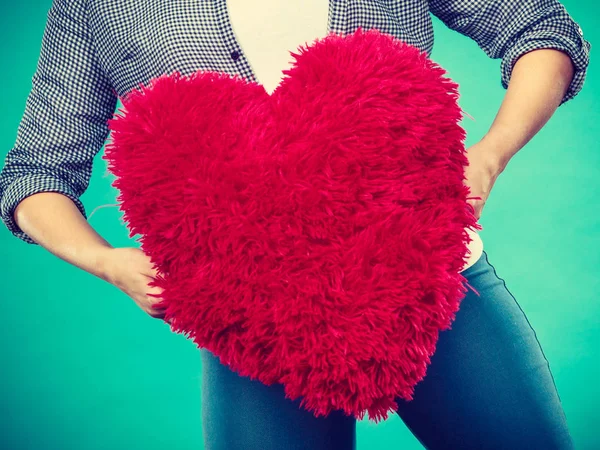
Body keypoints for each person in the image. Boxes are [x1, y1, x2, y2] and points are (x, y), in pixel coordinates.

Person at [0, 1, 590, 449]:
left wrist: (489, 155)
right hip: (254, 322)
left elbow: (543, 31)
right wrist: (108, 263)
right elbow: (33, 174)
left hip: (433, 286)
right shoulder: (96, 9)